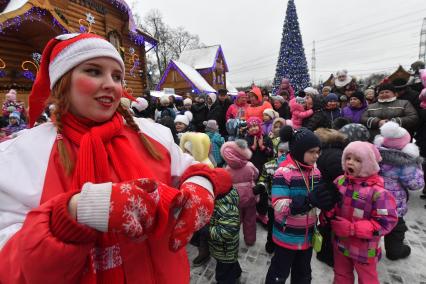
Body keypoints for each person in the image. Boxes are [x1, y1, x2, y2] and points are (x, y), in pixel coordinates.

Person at [0, 33, 232, 283]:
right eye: (94, 71)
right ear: (62, 82)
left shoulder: (152, 134)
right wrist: (74, 212)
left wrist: (201, 185)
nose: (111, 84)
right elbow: (10, 265)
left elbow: (193, 168)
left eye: (117, 76)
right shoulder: (20, 155)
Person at [265, 126, 334, 284]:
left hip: (307, 235)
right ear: (299, 150)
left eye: (318, 151)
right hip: (286, 236)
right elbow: (279, 205)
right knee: (279, 273)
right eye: (311, 152)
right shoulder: (283, 173)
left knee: (303, 274)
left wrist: (327, 201)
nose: (316, 156)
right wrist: (309, 201)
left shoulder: (315, 172)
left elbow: (319, 198)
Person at [330, 141, 398, 284]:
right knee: (341, 275)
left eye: (358, 160)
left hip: (365, 250)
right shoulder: (339, 182)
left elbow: (386, 222)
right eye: (348, 158)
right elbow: (332, 207)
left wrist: (352, 229)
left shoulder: (379, 193)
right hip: (341, 243)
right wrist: (327, 213)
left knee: (367, 279)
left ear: (369, 164)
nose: (350, 162)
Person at [373, 121, 424, 260]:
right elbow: (416, 184)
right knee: (396, 228)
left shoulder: (374, 155)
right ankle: (394, 251)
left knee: (373, 226)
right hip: (394, 205)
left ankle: (371, 252)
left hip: (374, 201)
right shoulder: (405, 164)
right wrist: (417, 168)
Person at [221, 140, 259, 246]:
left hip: (234, 198)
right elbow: (256, 174)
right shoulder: (249, 165)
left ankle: (233, 240)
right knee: (250, 219)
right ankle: (250, 240)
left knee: (235, 220)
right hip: (250, 196)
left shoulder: (227, 169)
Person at [255, 142, 289, 254]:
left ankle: (283, 243)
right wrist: (260, 186)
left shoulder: (295, 167)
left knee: (285, 225)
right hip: (272, 203)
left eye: (287, 152)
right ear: (276, 151)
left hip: (288, 204)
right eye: (281, 152)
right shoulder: (269, 165)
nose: (284, 155)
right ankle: (271, 241)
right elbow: (263, 179)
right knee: (272, 224)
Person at [209, 185, 242, 284]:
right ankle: (236, 272)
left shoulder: (228, 209)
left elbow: (227, 232)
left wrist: (208, 230)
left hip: (225, 250)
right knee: (230, 264)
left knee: (223, 273)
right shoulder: (218, 202)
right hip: (223, 249)